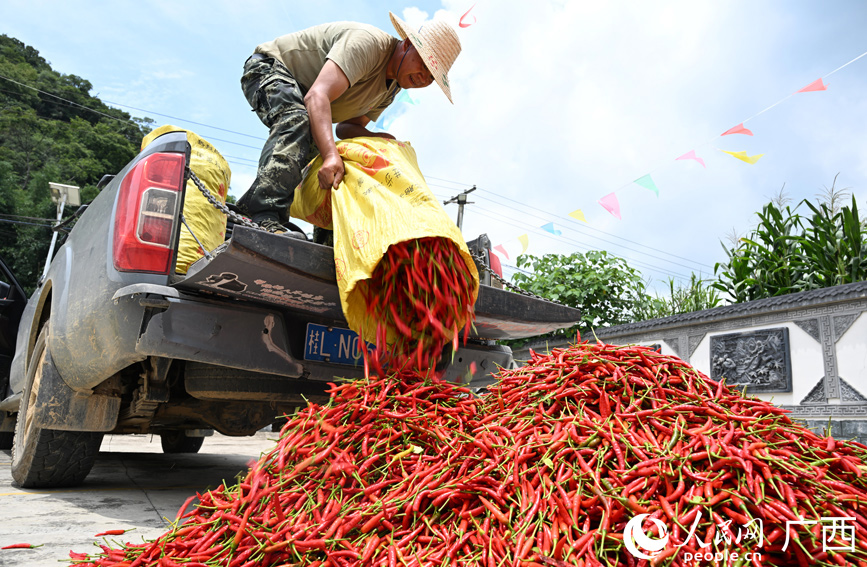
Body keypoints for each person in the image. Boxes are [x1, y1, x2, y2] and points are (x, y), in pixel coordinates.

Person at [236, 13, 462, 235]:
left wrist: (375, 138)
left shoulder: (391, 89)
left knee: (335, 165)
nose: (423, 77)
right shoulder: (368, 44)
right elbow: (316, 96)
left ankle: (329, 242)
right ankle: (259, 215)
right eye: (423, 63)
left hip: (309, 104)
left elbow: (345, 128)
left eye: (431, 76)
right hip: (271, 69)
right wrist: (330, 154)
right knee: (299, 124)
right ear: (407, 44)